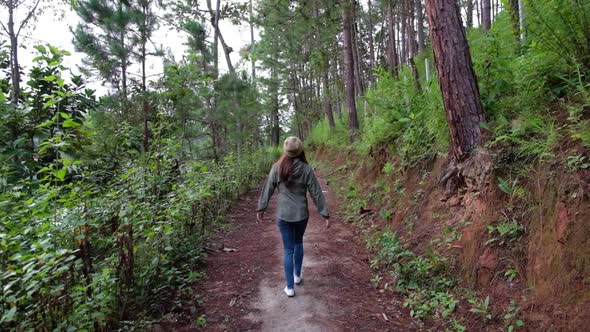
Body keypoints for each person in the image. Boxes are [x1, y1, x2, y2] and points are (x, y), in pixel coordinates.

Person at [256, 136, 330, 297]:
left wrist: (261, 208)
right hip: (301, 214)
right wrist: (324, 213)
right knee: (298, 243)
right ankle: (297, 276)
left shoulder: (277, 167)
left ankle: (289, 287)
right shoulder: (306, 169)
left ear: (286, 150)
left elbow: (268, 188)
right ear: (300, 150)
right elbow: (316, 192)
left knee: (288, 249)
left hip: (283, 215)